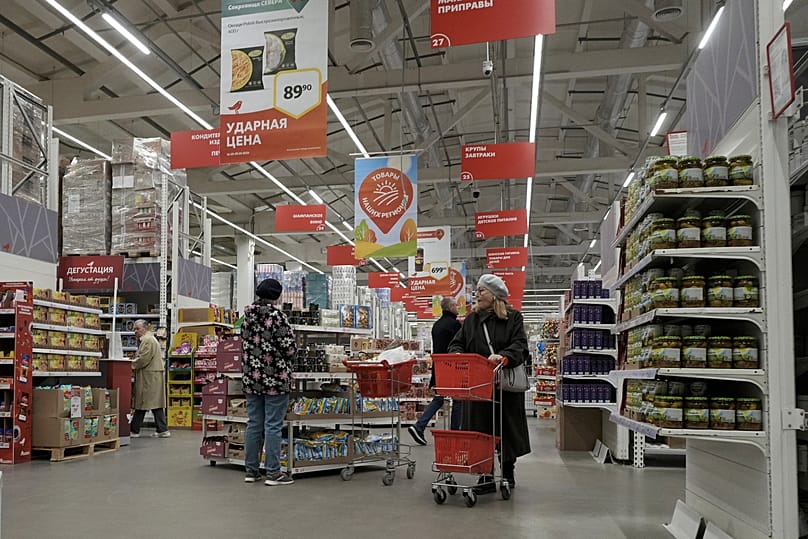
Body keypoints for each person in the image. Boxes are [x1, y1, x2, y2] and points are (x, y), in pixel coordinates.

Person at [448, 274, 531, 492]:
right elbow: (457, 342)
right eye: (477, 290)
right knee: (480, 430)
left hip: (505, 386)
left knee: (506, 429)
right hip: (478, 388)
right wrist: (457, 354)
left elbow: (521, 345)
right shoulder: (472, 320)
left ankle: (507, 474)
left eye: (482, 290)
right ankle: (485, 477)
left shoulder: (513, 318)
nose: (477, 294)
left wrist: (504, 356)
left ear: (494, 295)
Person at [241, 278, 297, 486]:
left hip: (251, 377)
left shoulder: (247, 316)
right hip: (274, 378)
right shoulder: (277, 316)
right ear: (276, 295)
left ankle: (251, 470)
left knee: (254, 423)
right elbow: (288, 348)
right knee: (273, 425)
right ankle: (273, 472)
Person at [407, 296, 462, 446]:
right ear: (450, 307)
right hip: (453, 367)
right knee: (458, 399)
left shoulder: (437, 325)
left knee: (439, 398)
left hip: (439, 368)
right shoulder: (455, 325)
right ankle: (455, 434)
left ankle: (419, 426)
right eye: (456, 306)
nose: (458, 308)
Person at [130, 320, 169, 438]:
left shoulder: (147, 340)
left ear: (145, 328)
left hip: (148, 376)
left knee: (142, 402)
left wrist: (130, 365)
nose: (135, 331)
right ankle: (162, 429)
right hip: (153, 375)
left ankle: (134, 430)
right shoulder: (151, 339)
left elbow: (143, 359)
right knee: (155, 403)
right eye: (135, 329)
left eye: (137, 329)